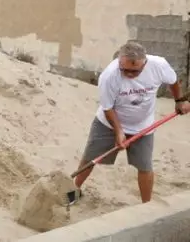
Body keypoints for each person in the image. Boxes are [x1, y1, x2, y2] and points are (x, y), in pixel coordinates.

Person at [73, 41, 190, 204]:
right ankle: (74, 191)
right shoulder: (109, 76)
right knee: (90, 157)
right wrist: (119, 131)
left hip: (143, 125)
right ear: (119, 61)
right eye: (124, 69)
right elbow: (108, 108)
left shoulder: (158, 65)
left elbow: (173, 81)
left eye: (134, 71)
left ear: (145, 63)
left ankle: (146, 205)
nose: (128, 74)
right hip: (108, 123)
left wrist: (180, 100)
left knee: (145, 166)